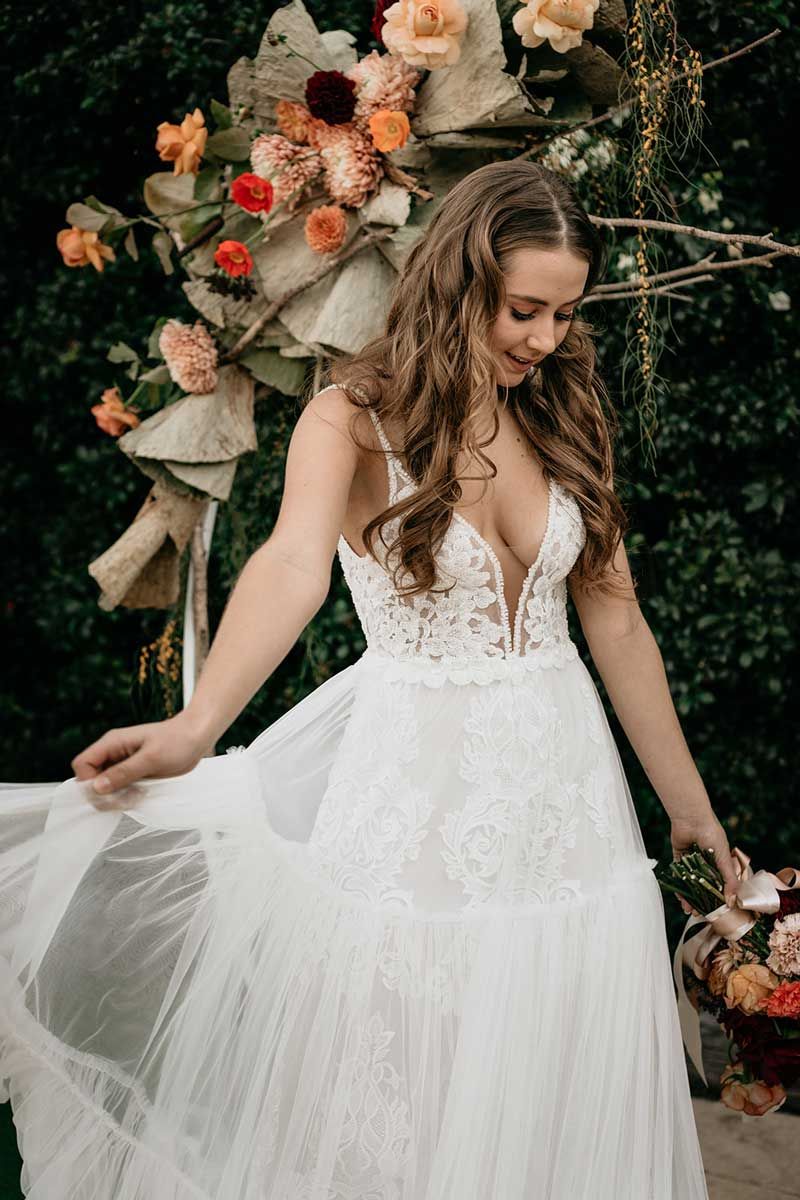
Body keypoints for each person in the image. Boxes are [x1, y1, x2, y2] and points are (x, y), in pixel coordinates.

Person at [0, 159, 740, 1199]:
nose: (542, 338)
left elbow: (613, 617)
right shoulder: (350, 419)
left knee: (543, 1072)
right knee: (407, 1083)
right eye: (522, 310)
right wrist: (196, 723)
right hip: (414, 802)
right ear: (458, 282)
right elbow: (293, 566)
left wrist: (688, 809)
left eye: (563, 314)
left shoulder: (564, 418)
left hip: (566, 804)